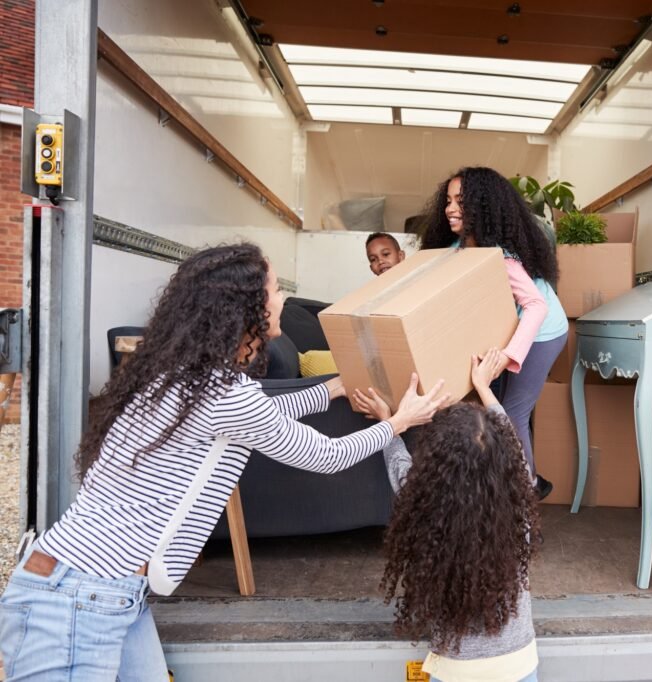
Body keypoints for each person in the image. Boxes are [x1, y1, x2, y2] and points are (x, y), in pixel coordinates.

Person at [0, 243, 447, 681]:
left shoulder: (187, 378)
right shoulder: (223, 394)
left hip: (101, 590)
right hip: (80, 598)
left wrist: (332, 389)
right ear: (244, 308)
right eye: (274, 291)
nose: (283, 300)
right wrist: (400, 422)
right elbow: (325, 455)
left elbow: (260, 415)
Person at [353, 349, 540, 682]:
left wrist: (390, 422)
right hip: (519, 666)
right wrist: (484, 387)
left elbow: (399, 467)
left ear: (434, 467)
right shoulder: (519, 505)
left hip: (454, 670)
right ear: (507, 466)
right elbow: (514, 450)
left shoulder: (426, 507)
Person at [420, 166, 568, 500]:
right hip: (513, 328)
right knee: (491, 407)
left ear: (482, 208)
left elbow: (536, 306)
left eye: (461, 201)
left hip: (543, 331)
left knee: (513, 412)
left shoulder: (501, 258)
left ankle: (525, 496)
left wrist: (509, 355)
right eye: (448, 200)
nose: (450, 208)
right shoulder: (459, 247)